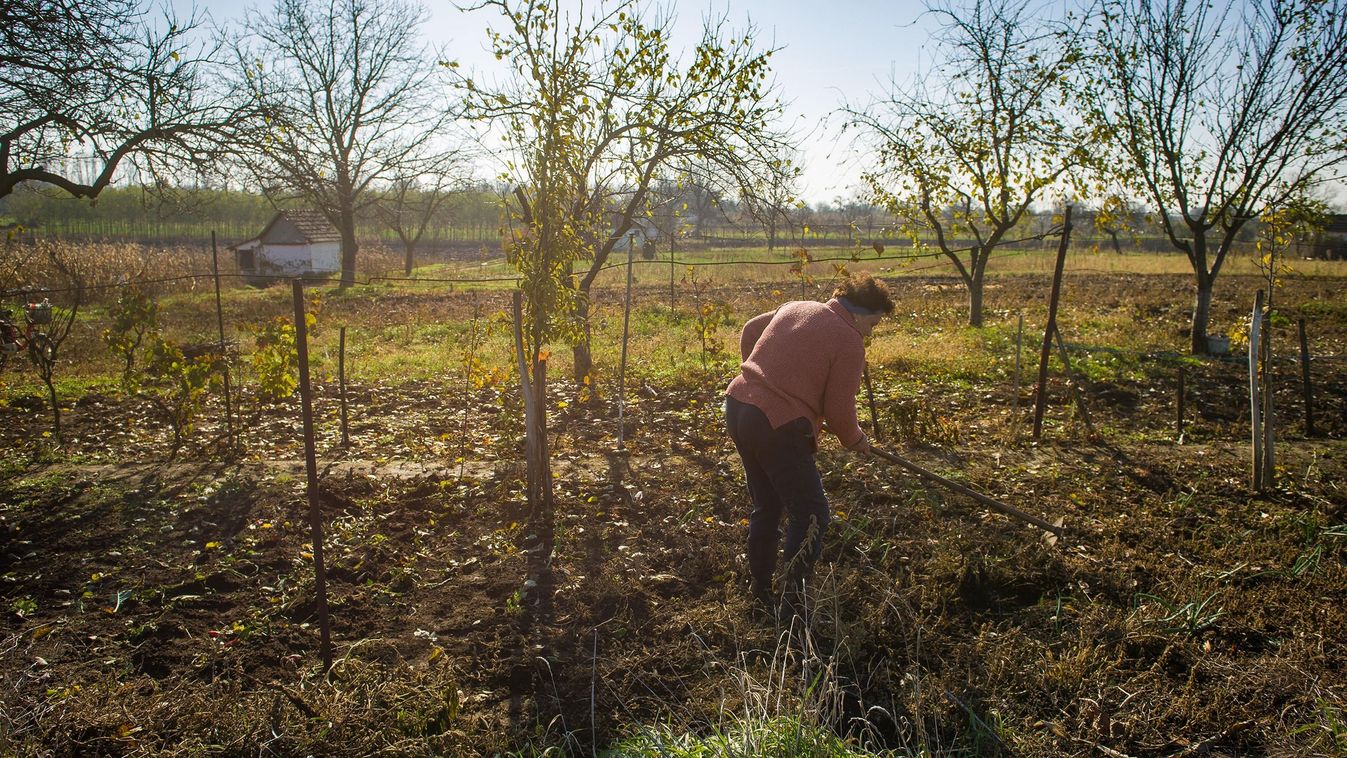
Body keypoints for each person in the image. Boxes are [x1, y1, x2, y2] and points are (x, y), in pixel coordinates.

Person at [724, 272, 895, 620]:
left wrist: (760, 375)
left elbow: (750, 330)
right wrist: (855, 440)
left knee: (768, 505)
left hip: (739, 404)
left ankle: (760, 590)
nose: (870, 332)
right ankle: (793, 607)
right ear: (861, 312)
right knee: (812, 512)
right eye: (873, 324)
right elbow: (838, 409)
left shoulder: (797, 306)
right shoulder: (849, 340)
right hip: (776, 426)